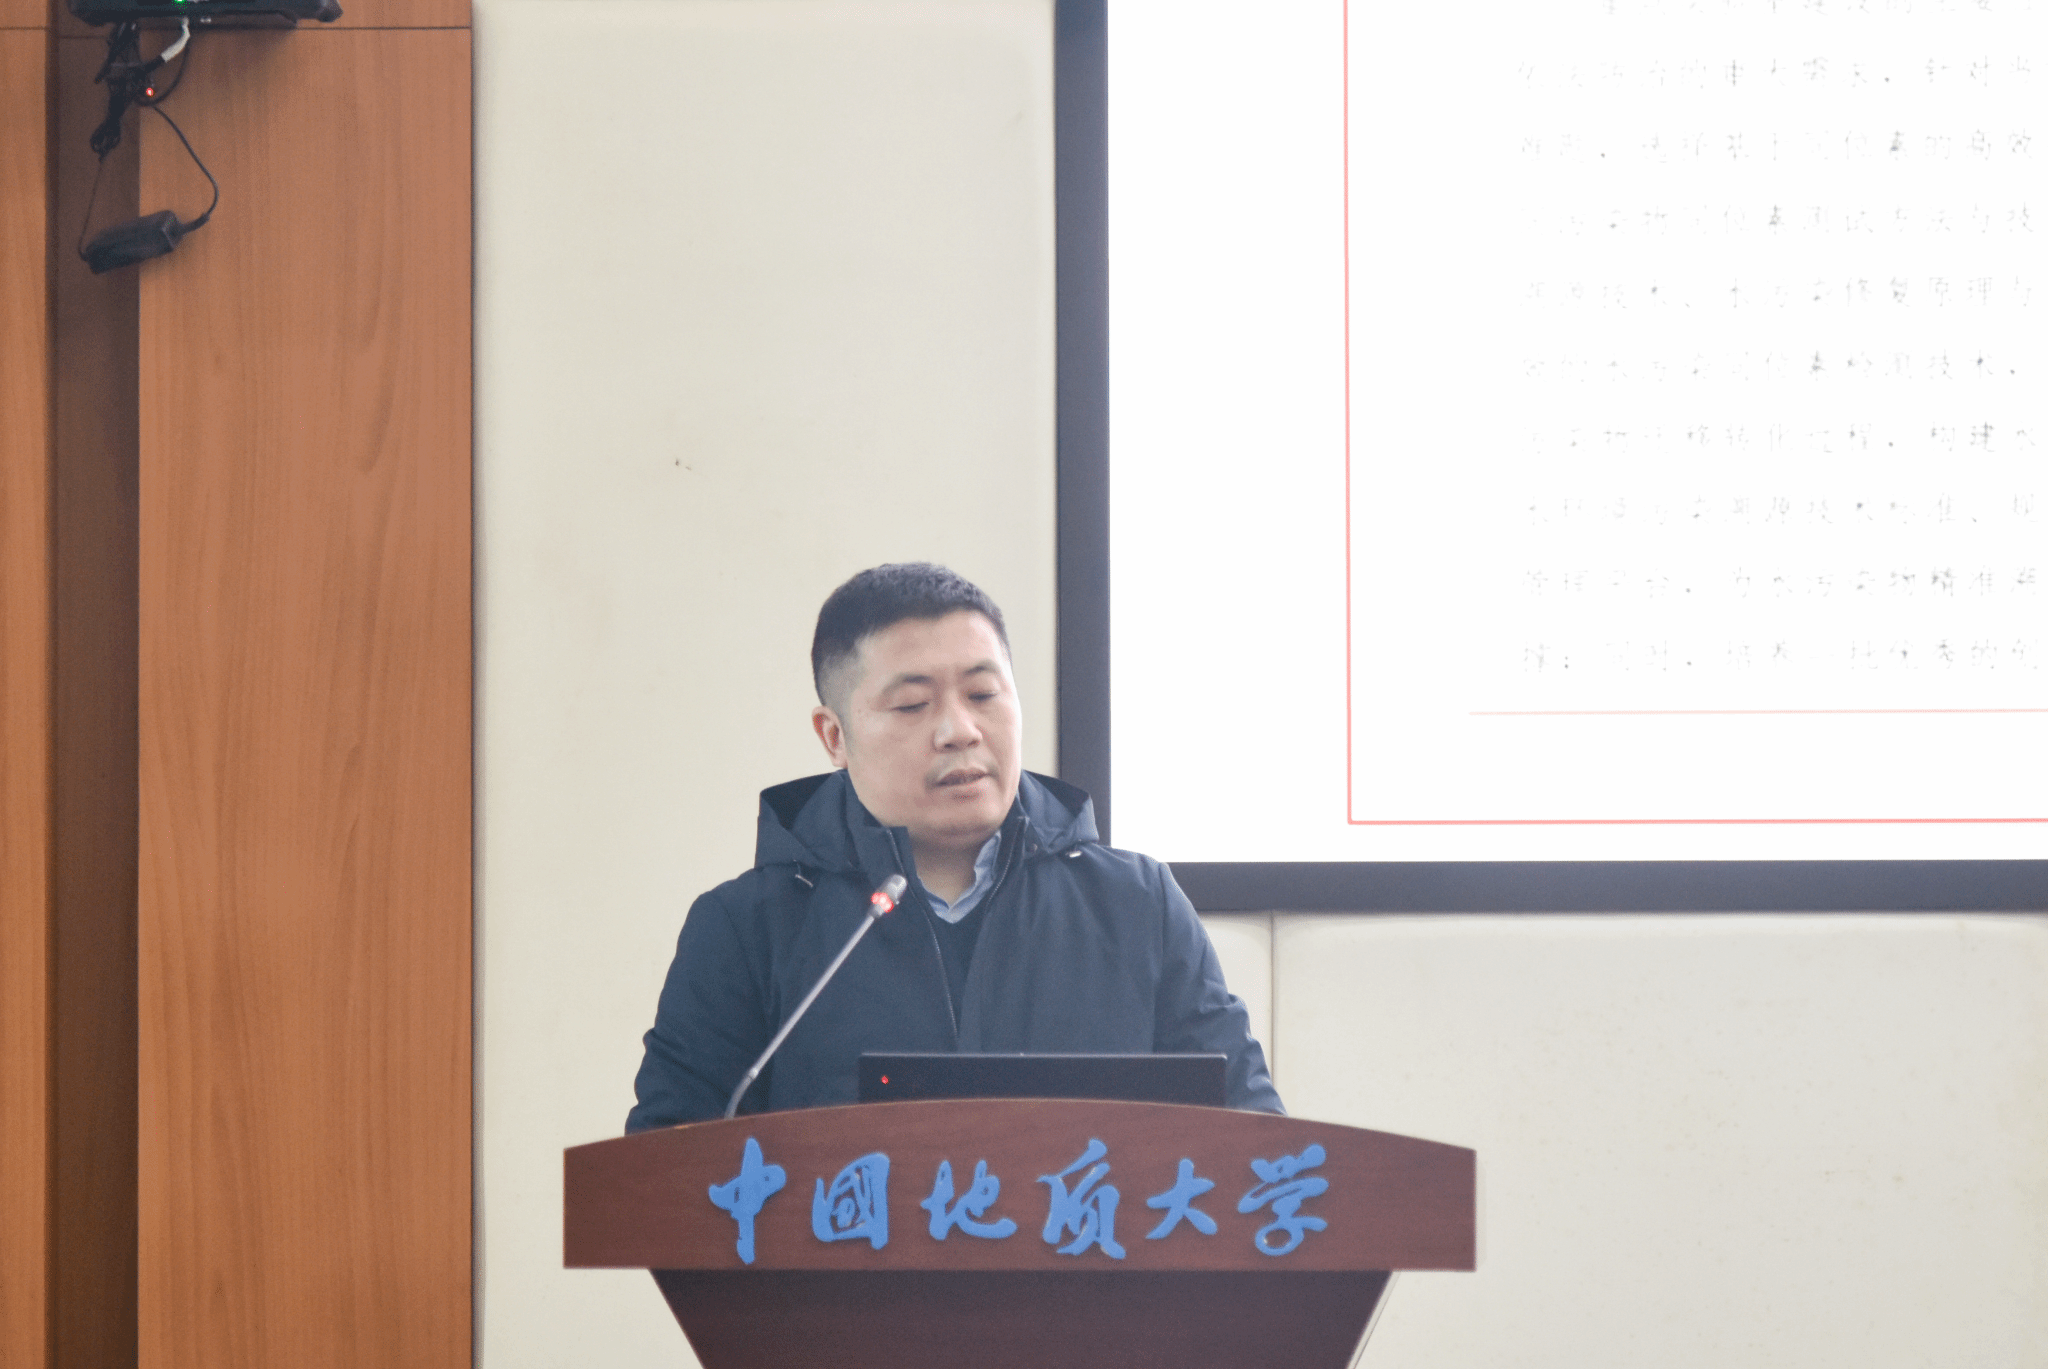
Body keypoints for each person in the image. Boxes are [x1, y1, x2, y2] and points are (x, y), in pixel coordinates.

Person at [626, 563, 1281, 1129]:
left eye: (983, 693)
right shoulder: (746, 929)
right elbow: (665, 1174)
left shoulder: (1136, 904)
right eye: (913, 705)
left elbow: (1257, 1142)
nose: (959, 730)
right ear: (834, 737)